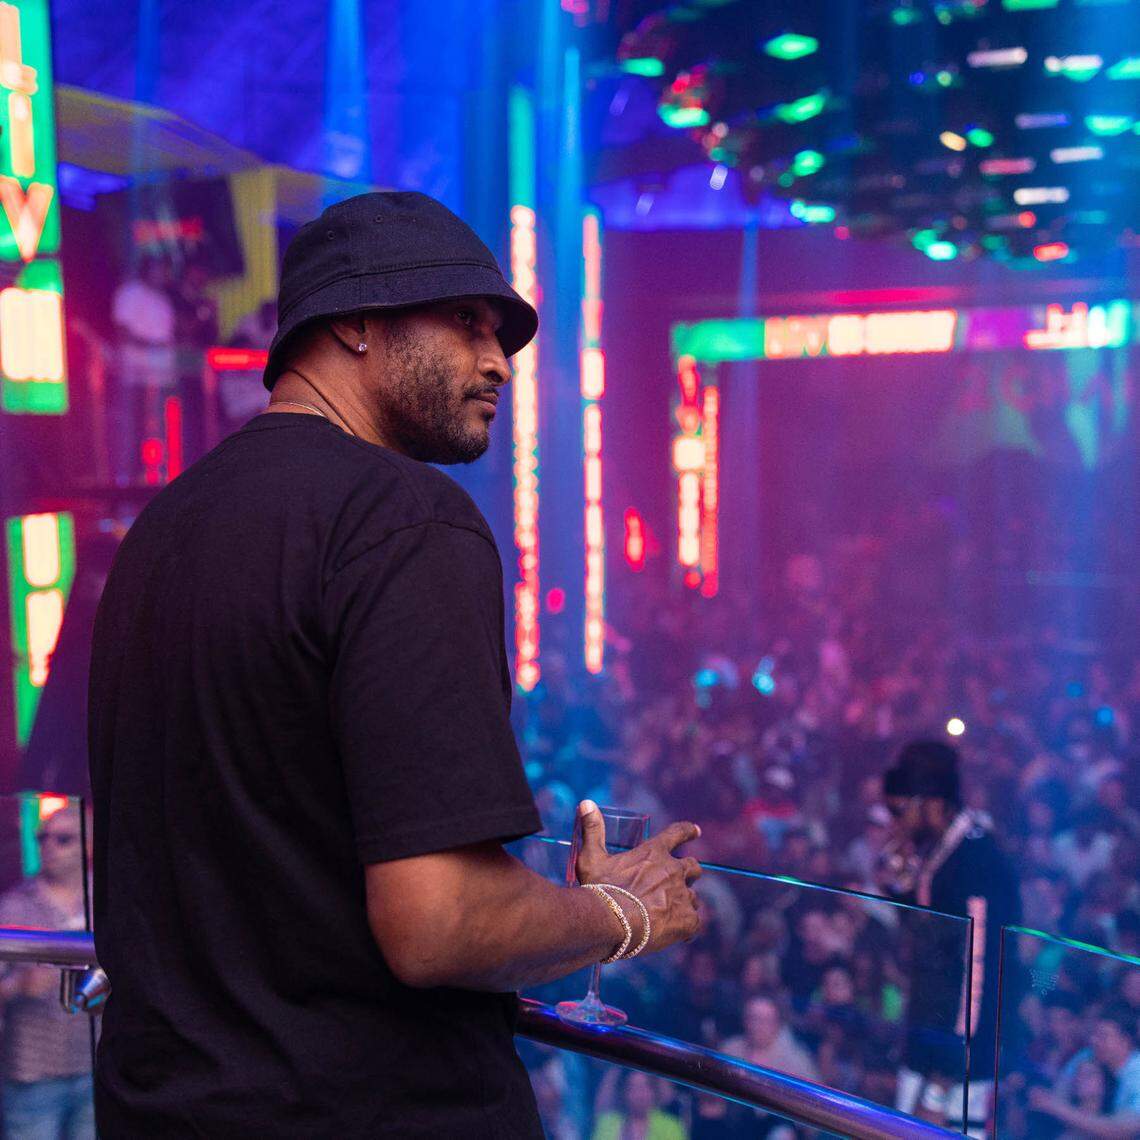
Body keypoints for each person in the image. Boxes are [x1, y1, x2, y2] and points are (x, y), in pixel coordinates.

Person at [88, 190, 703, 1138]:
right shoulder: (402, 519)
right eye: (466, 321)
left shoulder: (161, 530)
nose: (498, 361)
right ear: (357, 324)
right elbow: (438, 921)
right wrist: (621, 912)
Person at [883, 739, 1021, 1138]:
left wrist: (942, 1083)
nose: (896, 823)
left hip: (959, 1064)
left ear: (931, 803)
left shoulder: (977, 859)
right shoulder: (938, 849)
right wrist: (901, 886)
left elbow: (979, 971)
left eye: (900, 811)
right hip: (927, 1038)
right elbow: (929, 935)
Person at [0, 804, 95, 1139]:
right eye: (42, 838)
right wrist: (18, 986)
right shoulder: (13, 906)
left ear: (89, 845)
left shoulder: (105, 901)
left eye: (63, 839)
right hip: (32, 1073)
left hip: (94, 1066)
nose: (49, 846)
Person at [1029, 1006, 1140, 1138]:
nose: (1094, 1040)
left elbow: (1121, 1131)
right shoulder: (1088, 1054)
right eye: (1094, 1034)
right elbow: (1061, 1089)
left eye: (1103, 1036)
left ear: (1126, 1040)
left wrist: (1056, 1108)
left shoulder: (1137, 1075)